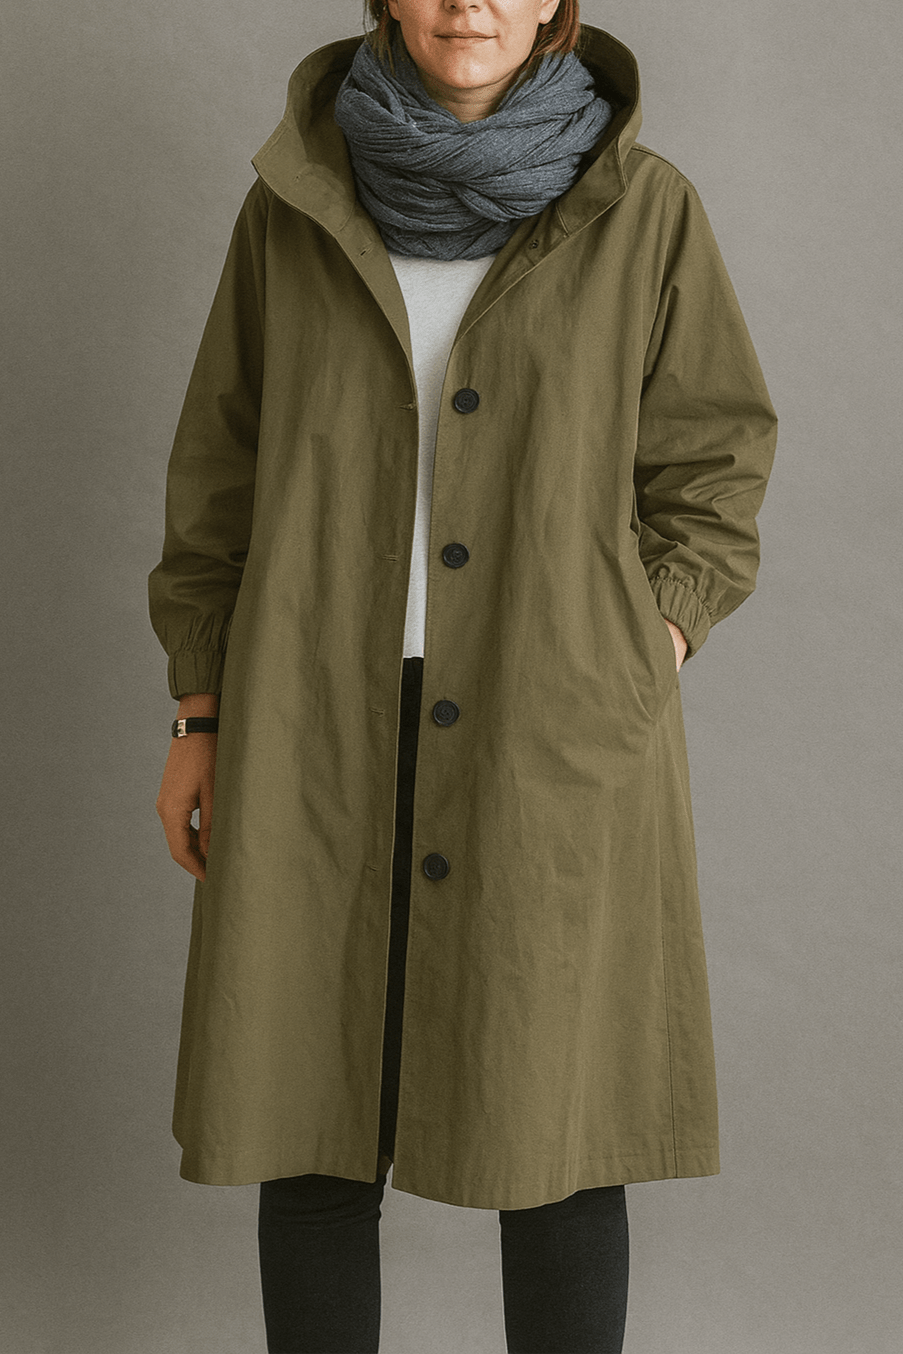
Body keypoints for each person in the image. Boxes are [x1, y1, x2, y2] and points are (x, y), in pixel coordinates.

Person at [149, 1, 777, 1350]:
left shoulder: (643, 209)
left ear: (552, 2)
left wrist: (640, 644)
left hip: (549, 724)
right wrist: (201, 709)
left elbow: (715, 464)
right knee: (306, 1121)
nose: (469, 3)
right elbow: (219, 471)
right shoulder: (294, 205)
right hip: (312, 721)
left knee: (557, 1130)